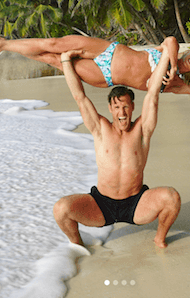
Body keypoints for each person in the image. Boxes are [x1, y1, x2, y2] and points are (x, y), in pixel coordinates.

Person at [53, 47, 180, 248]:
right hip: (101, 204)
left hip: (136, 203)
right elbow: (80, 97)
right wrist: (66, 61)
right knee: (61, 209)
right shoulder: (100, 128)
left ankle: (159, 239)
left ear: (133, 107)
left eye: (126, 107)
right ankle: (78, 245)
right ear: (110, 109)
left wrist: (166, 54)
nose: (122, 112)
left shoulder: (142, 130)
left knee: (172, 198)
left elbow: (153, 94)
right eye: (117, 107)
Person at [0, 27, 190, 109]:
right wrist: (171, 65)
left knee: (54, 60)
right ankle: (2, 44)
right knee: (55, 43)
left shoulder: (175, 84)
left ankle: (2, 45)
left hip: (106, 75)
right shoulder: (171, 53)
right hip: (109, 49)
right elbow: (171, 40)